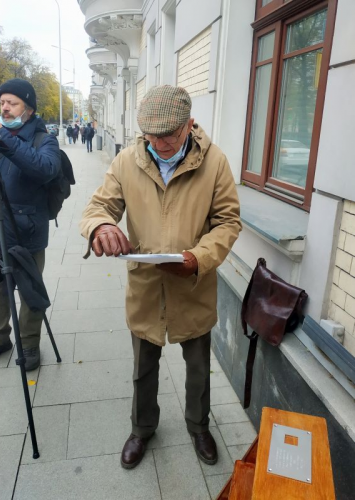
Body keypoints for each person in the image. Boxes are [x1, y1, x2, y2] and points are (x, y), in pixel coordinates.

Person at [80, 85, 242, 469]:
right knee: (142, 368)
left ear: (189, 125)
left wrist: (197, 258)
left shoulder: (214, 162)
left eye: (169, 133)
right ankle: (141, 429)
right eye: (151, 134)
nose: (159, 142)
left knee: (199, 368)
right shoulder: (127, 161)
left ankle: (199, 426)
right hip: (147, 286)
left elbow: (227, 221)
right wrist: (100, 226)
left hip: (193, 285)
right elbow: (98, 206)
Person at [0, 78, 61, 371]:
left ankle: (29, 344)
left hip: (26, 232)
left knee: (30, 291)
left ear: (29, 108)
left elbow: (45, 169)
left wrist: (3, 137)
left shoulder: (43, 139)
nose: (5, 108)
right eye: (2, 103)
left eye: (13, 103)